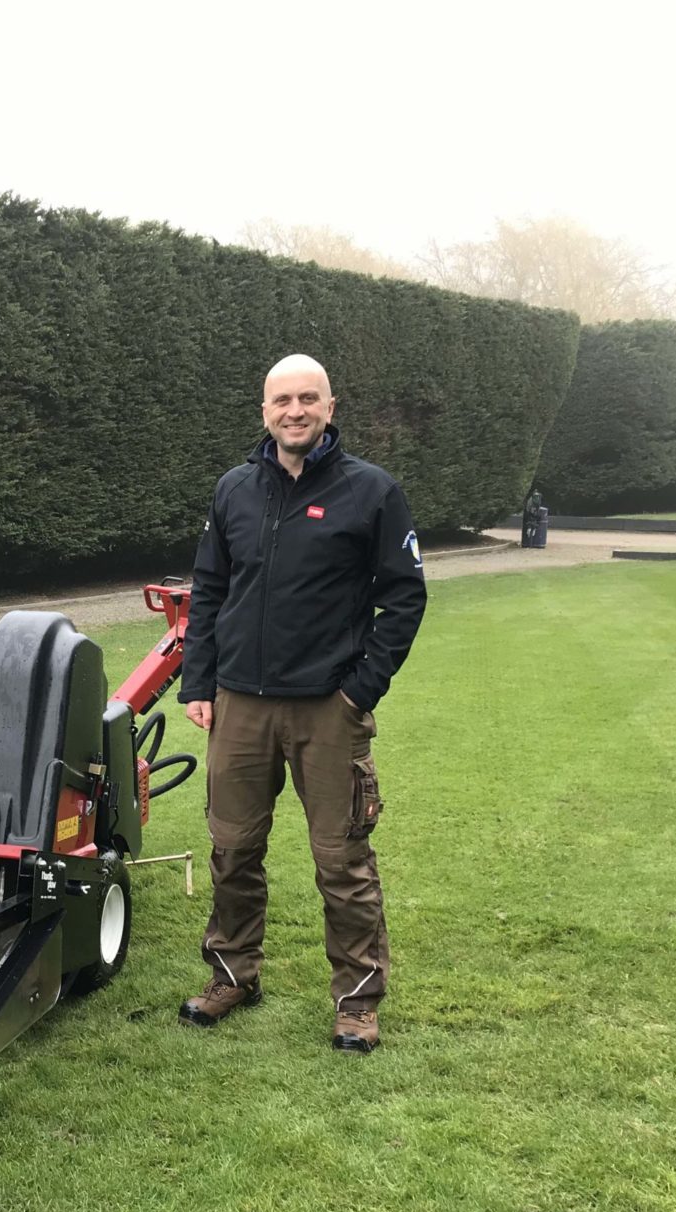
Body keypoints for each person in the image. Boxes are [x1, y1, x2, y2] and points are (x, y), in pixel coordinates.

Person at [177, 354, 427, 1054]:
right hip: (240, 707)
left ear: (329, 407)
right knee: (232, 849)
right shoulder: (233, 491)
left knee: (341, 860)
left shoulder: (371, 492)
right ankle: (232, 974)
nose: (295, 410)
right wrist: (200, 683)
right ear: (264, 411)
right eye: (282, 399)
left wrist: (359, 690)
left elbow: (404, 597)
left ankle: (356, 1003)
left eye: (307, 399)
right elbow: (209, 591)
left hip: (327, 709)